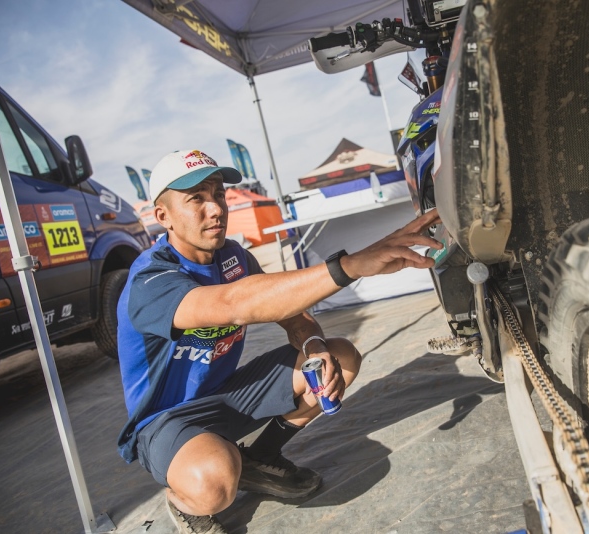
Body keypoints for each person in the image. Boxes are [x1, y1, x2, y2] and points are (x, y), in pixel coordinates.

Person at [116, 149, 441, 533]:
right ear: (163, 217)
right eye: (197, 199)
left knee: (340, 357)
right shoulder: (150, 279)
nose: (216, 209)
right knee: (216, 482)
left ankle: (260, 458)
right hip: (165, 420)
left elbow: (294, 315)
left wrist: (313, 346)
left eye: (219, 194)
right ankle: (185, 499)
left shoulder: (233, 256)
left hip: (224, 394)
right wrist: (351, 265)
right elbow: (233, 304)